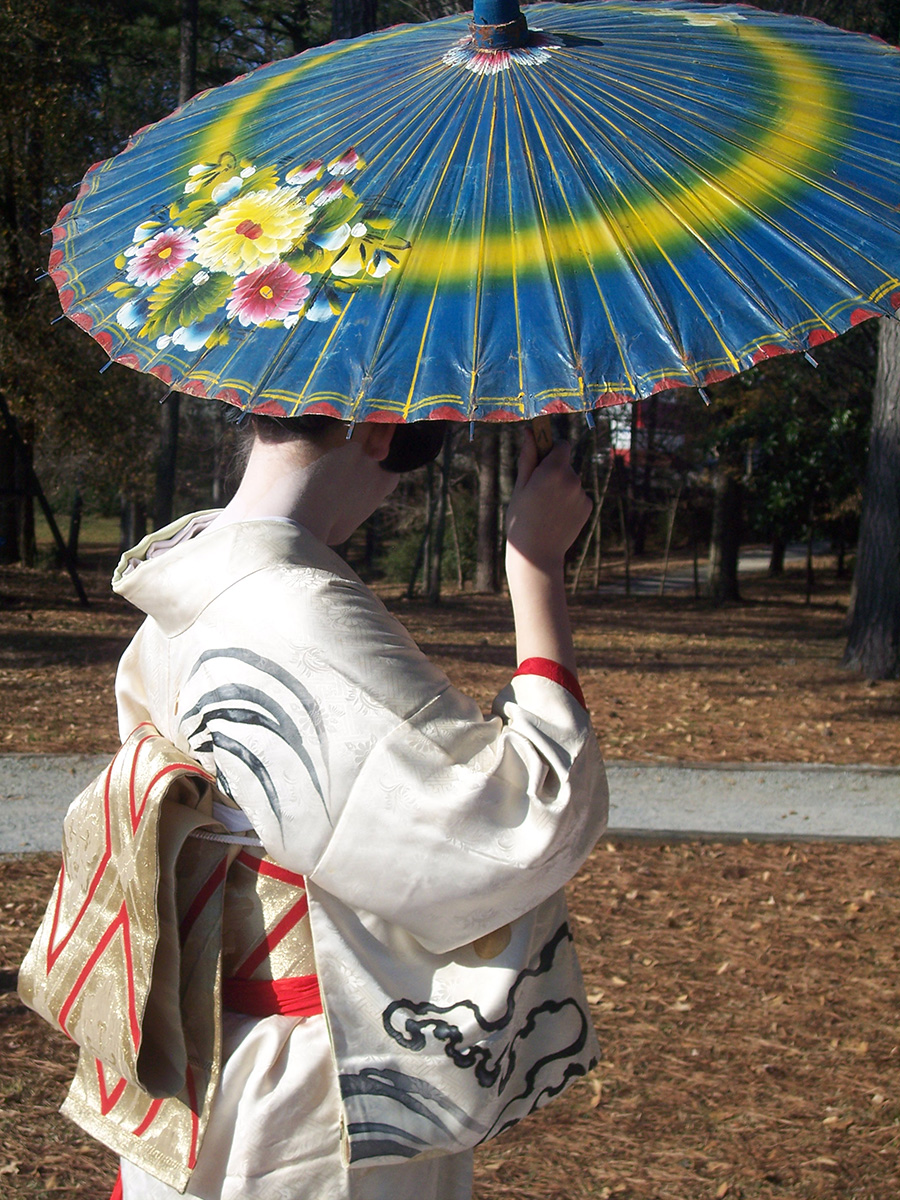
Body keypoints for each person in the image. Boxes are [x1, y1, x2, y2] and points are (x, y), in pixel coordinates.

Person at [94, 414, 608, 1199]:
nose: (399, 478)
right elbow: (520, 827)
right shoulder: (291, 612)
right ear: (374, 429)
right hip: (309, 1083)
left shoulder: (186, 586)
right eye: (420, 442)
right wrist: (535, 567)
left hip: (204, 1053)